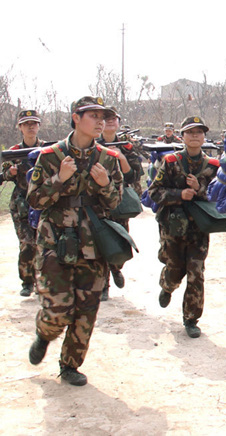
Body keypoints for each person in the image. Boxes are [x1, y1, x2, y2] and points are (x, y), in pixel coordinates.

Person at [26, 96, 123, 386]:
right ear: (76, 118)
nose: (100, 121)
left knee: (86, 311)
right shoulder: (50, 156)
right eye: (93, 115)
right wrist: (59, 178)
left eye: (102, 117)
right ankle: (45, 333)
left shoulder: (108, 158)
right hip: (55, 241)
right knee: (58, 310)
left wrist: (106, 185)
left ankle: (70, 365)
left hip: (93, 244)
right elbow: (35, 200)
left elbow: (116, 202)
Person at [148, 116, 219, 338]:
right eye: (190, 132)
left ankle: (191, 319)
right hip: (173, 226)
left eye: (199, 132)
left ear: (204, 136)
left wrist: (199, 189)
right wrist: (179, 194)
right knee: (175, 269)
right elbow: (154, 192)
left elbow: (220, 198)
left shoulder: (213, 166)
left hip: (199, 228)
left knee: (196, 272)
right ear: (183, 136)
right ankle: (167, 286)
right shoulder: (171, 162)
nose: (195, 136)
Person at [96, 106, 143, 301]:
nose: (109, 121)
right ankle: (103, 285)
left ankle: (115, 268)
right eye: (105, 118)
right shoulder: (92, 144)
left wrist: (121, 158)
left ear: (118, 122)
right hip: (98, 200)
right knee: (99, 240)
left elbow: (134, 175)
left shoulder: (126, 146)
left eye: (113, 118)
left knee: (120, 239)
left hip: (119, 200)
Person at [1, 110, 47, 296]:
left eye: (33, 123)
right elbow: (3, 175)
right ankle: (27, 282)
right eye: (26, 124)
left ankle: (43, 281)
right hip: (22, 203)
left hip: (44, 201)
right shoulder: (13, 152)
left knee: (45, 244)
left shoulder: (47, 149)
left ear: (39, 126)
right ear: (20, 127)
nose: (30, 127)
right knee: (27, 244)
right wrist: (9, 173)